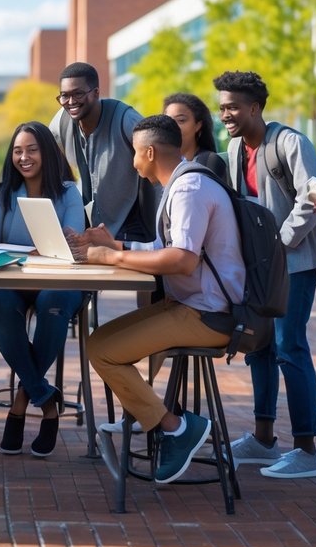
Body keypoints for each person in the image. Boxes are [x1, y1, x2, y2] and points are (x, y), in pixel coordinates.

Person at [73, 114, 243, 484]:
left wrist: (114, 257)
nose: (133, 163)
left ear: (149, 152)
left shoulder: (188, 189)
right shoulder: (182, 183)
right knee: (99, 342)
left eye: (134, 154)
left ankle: (177, 429)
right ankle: (172, 424)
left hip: (208, 314)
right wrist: (114, 244)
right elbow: (162, 248)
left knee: (102, 351)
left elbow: (182, 260)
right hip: (190, 306)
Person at [215, 70, 316, 480]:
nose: (224, 114)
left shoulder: (289, 142)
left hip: (294, 263)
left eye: (231, 106)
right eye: (221, 107)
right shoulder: (233, 149)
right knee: (259, 347)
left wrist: (278, 244)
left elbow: (313, 195)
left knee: (290, 347)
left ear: (254, 107)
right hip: (258, 267)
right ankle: (264, 439)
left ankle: (307, 450)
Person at [0, 121, 84, 458]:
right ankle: (46, 400)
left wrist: (54, 247)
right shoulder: (0, 195)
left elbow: (73, 242)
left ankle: (22, 401)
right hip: (11, 280)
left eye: (31, 149)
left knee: (54, 301)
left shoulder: (68, 192)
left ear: (48, 152)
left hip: (58, 281)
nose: (23, 157)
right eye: (17, 150)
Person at [48, 62, 153, 247]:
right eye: (64, 95)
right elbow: (45, 155)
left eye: (78, 94)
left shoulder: (127, 120)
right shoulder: (62, 121)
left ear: (96, 92)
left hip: (130, 227)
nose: (70, 102)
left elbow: (159, 161)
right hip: (90, 229)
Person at [163, 92, 229, 184]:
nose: (173, 126)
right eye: (169, 120)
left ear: (198, 125)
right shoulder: (162, 163)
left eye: (181, 120)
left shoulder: (209, 161)